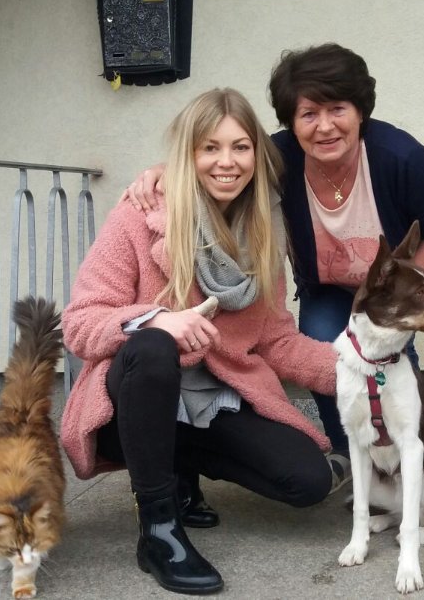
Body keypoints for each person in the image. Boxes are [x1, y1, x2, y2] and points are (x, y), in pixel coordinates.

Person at [125, 44, 424, 494]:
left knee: (393, 363)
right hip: (327, 286)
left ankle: (416, 464)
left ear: (360, 110)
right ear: (291, 121)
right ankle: (354, 457)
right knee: (327, 347)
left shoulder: (400, 157)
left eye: (337, 109)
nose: (324, 126)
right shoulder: (280, 156)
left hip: (394, 289)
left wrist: (402, 291)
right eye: (308, 114)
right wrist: (163, 170)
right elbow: (225, 161)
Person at [62, 88, 339, 595]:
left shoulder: (263, 232)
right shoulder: (139, 215)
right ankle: (160, 530)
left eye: (240, 147)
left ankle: (178, 465)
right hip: (132, 400)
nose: (226, 162)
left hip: (213, 398)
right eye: (210, 147)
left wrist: (356, 368)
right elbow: (80, 322)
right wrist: (156, 320)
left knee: (308, 481)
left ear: (256, 154)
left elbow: (275, 339)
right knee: (153, 348)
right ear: (188, 155)